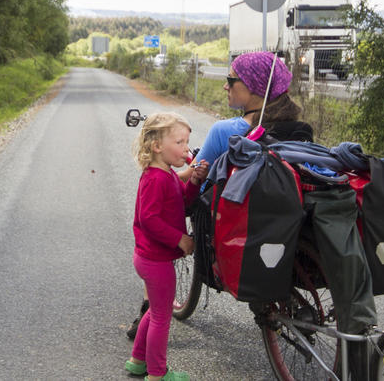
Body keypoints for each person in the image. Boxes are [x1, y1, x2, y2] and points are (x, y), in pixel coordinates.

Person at [125, 52, 311, 338]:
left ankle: (147, 311)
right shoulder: (297, 127)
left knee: (167, 212)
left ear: (253, 88)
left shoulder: (226, 130)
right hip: (280, 210)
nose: (226, 86)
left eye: (230, 80)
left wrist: (170, 172)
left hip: (237, 219)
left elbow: (194, 182)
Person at [125, 112, 203, 381]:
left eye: (187, 142)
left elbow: (182, 200)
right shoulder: (155, 179)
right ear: (157, 147)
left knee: (156, 310)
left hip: (150, 258)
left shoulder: (166, 173)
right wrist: (179, 239)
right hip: (154, 261)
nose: (186, 149)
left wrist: (193, 180)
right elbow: (149, 220)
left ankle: (137, 360)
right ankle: (157, 373)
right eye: (180, 143)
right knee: (162, 316)